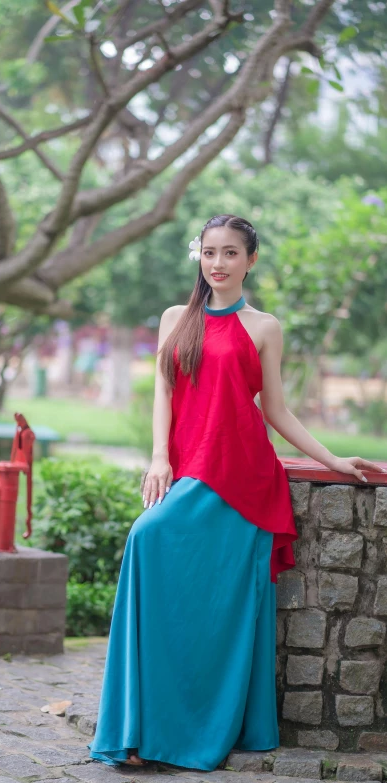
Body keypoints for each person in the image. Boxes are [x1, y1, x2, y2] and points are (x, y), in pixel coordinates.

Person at [87, 214, 386, 772]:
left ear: (251, 260)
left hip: (241, 475)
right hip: (190, 466)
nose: (218, 263)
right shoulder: (177, 319)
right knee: (148, 542)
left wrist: (335, 461)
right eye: (209, 252)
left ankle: (193, 727)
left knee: (216, 604)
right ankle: (139, 725)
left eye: (230, 253)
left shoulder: (264, 327)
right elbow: (164, 391)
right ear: (197, 256)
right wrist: (158, 457)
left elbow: (275, 410)